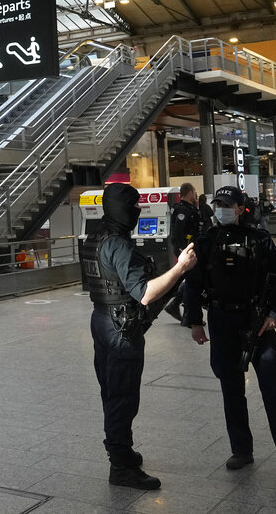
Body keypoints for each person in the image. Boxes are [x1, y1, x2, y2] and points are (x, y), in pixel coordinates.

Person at [183, 186, 276, 479]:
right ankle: (241, 450)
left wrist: (274, 314)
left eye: (227, 204)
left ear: (241, 208)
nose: (222, 209)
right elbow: (192, 283)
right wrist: (194, 321)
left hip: (256, 321)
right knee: (231, 388)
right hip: (221, 320)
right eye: (218, 204)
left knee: (273, 383)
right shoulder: (205, 243)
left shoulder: (260, 240)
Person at [80, 183, 197, 490]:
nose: (137, 213)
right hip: (121, 327)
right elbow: (145, 293)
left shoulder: (96, 235)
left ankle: (122, 451)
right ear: (124, 209)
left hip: (102, 320)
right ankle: (120, 467)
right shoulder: (117, 244)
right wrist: (180, 268)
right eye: (134, 207)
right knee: (122, 397)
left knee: (111, 391)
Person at [163, 182, 200, 322]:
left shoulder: (190, 208)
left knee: (191, 279)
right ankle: (182, 310)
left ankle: (182, 310)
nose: (195, 194)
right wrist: (183, 250)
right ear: (189, 192)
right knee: (191, 280)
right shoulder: (182, 210)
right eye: (194, 191)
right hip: (186, 250)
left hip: (191, 248)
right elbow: (179, 232)